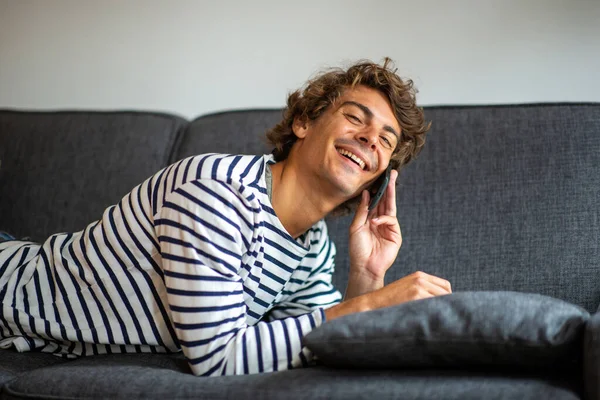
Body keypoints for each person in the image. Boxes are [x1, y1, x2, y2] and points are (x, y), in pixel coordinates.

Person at [0, 58, 452, 377]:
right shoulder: (217, 191)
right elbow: (218, 358)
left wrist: (367, 273)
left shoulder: (311, 246)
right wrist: (376, 303)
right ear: (304, 123)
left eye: (386, 141)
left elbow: (324, 341)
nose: (370, 138)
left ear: (380, 174)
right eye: (356, 117)